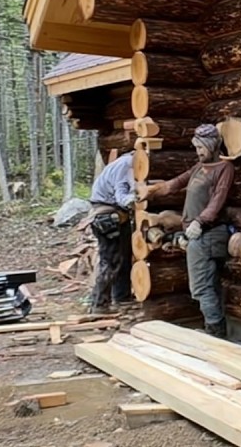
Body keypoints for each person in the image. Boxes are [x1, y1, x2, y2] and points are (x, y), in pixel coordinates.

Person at [140, 125, 233, 338]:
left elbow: (218, 200)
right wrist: (150, 191)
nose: (198, 151)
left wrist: (200, 221)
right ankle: (216, 330)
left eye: (201, 147)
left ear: (212, 145)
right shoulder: (199, 167)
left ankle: (216, 333)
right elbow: (173, 185)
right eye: (196, 147)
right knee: (209, 285)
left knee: (201, 287)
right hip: (198, 234)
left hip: (208, 233)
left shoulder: (224, 168)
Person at [87, 151, 135, 312]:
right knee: (110, 261)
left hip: (113, 215)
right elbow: (122, 197)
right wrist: (139, 197)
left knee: (123, 258)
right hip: (107, 216)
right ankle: (99, 304)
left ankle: (121, 298)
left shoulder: (123, 163)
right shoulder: (126, 165)